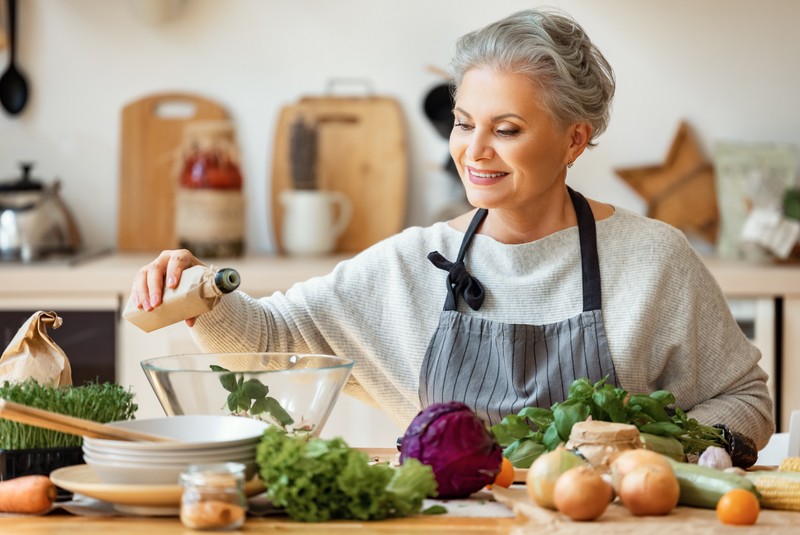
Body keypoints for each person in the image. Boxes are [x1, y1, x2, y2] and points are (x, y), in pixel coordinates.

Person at [130, 8, 774, 448]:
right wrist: (202, 291)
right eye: (465, 123)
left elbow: (743, 398)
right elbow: (273, 340)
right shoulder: (413, 263)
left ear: (575, 139)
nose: (474, 151)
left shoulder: (654, 260)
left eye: (508, 129)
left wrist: (678, 454)